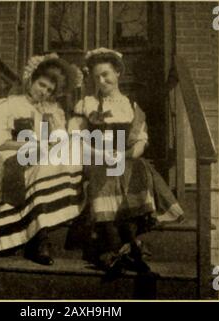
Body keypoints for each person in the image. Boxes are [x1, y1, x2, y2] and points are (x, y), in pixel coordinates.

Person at [68, 48, 184, 274]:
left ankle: (123, 248)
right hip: (96, 157)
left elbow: (141, 140)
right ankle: (119, 246)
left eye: (106, 74)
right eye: (97, 77)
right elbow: (76, 138)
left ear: (118, 72)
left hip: (124, 158)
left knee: (138, 168)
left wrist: (125, 155)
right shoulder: (87, 104)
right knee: (105, 172)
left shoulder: (130, 106)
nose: (102, 81)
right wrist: (100, 154)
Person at [0, 53, 85, 265]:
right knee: (38, 169)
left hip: (41, 160)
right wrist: (32, 147)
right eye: (41, 85)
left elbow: (58, 140)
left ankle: (47, 234)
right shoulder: (9, 105)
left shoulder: (52, 112)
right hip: (11, 158)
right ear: (31, 80)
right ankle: (39, 240)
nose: (43, 92)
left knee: (65, 161)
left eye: (49, 90)